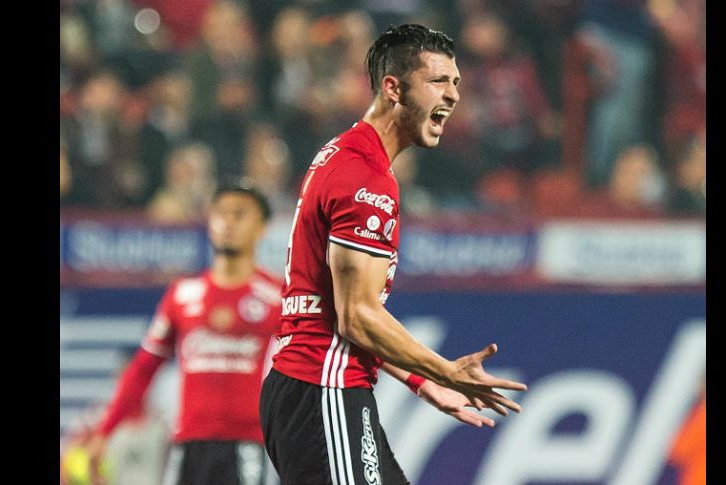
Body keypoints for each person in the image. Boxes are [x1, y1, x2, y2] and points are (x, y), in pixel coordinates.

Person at [260, 24, 528, 485]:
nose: (454, 95)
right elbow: (357, 317)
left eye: (456, 82)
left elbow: (338, 310)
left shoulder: (342, 154)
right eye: (438, 81)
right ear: (393, 88)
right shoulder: (365, 178)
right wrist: (444, 372)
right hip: (324, 387)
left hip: (313, 388)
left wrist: (420, 382)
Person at [83, 181, 283, 485]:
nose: (228, 222)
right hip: (187, 445)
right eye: (221, 213)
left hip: (247, 445)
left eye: (240, 214)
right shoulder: (182, 294)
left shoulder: (277, 296)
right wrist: (105, 431)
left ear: (262, 227)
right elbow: (142, 369)